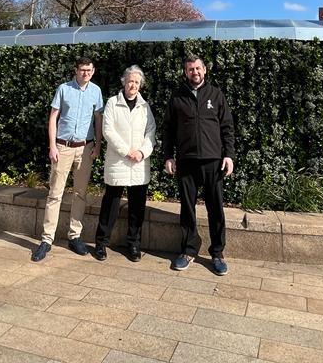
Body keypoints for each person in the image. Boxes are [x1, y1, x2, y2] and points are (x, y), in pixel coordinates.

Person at [163, 55, 235, 276]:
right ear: (185, 72)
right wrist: (168, 156)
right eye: (190, 69)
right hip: (186, 161)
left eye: (198, 68)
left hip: (213, 161)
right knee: (187, 209)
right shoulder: (177, 97)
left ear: (205, 70)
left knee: (216, 209)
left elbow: (227, 127)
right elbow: (168, 130)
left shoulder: (216, 95)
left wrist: (229, 155)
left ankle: (217, 254)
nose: (195, 72)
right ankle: (188, 251)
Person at [31, 57, 104, 262]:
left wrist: (98, 145)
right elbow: (53, 117)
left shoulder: (96, 92)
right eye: (82, 70)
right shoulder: (63, 89)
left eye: (89, 70)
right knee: (55, 193)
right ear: (76, 70)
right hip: (63, 147)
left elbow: (98, 119)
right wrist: (52, 145)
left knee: (80, 193)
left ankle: (75, 236)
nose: (85, 73)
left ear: (93, 71)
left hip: (85, 148)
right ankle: (47, 240)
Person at [93, 65, 156, 262]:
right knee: (110, 204)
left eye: (137, 82)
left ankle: (134, 245)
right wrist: (126, 151)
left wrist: (142, 152)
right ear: (124, 81)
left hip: (138, 163)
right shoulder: (112, 103)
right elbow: (108, 130)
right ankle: (101, 243)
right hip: (118, 162)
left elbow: (151, 132)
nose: (133, 85)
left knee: (137, 207)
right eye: (130, 81)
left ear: (140, 85)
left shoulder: (145, 107)